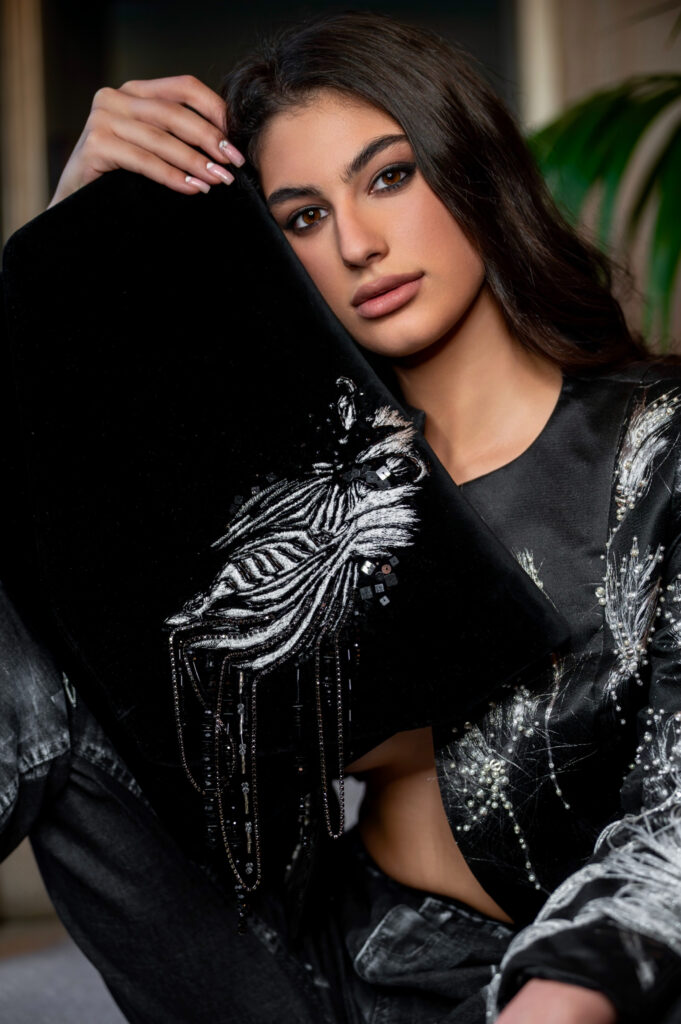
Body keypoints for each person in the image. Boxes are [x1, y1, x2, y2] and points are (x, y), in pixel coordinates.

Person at [3, 9, 681, 1024]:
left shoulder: (654, 450)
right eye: (302, 218)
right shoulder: (293, 462)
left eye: (389, 176)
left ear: (470, 168)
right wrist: (80, 228)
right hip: (294, 963)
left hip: (544, 980)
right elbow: (73, 559)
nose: (358, 245)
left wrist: (562, 997)